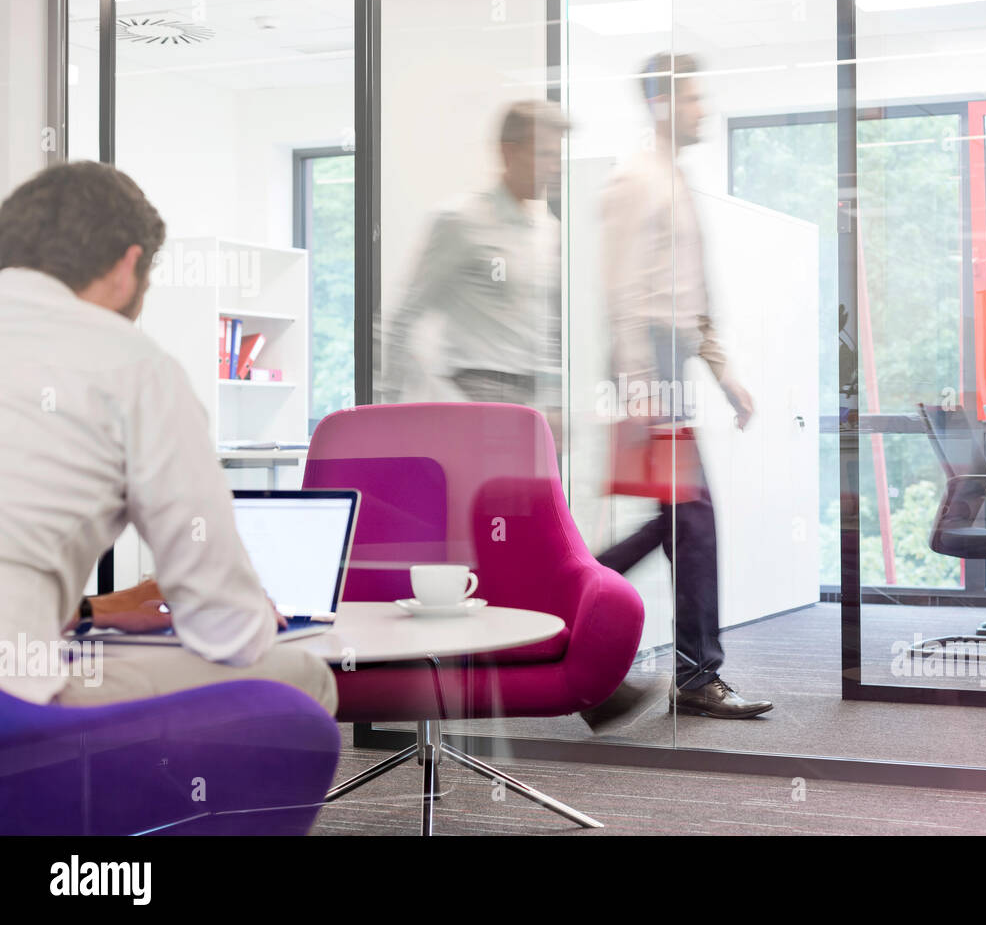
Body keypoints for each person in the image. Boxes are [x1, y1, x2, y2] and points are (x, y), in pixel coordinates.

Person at [0, 161, 337, 711]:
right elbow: (222, 621)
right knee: (295, 677)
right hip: (13, 708)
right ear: (128, 265)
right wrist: (254, 619)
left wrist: (92, 613)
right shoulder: (132, 363)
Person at [589, 52, 772, 721]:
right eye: (695, 99)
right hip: (649, 367)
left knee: (680, 522)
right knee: (691, 522)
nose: (705, 110)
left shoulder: (674, 180)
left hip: (673, 363)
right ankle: (696, 674)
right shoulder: (636, 181)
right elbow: (622, 292)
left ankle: (569, 599)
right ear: (664, 104)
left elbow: (691, 300)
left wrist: (723, 374)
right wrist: (640, 387)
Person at [382, 99, 567, 423]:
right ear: (508, 152)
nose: (555, 166)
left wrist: (554, 403)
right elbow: (405, 317)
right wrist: (389, 412)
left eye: (558, 155)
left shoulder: (547, 231)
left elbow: (546, 329)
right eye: (545, 155)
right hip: (474, 397)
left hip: (529, 404)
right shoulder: (461, 221)